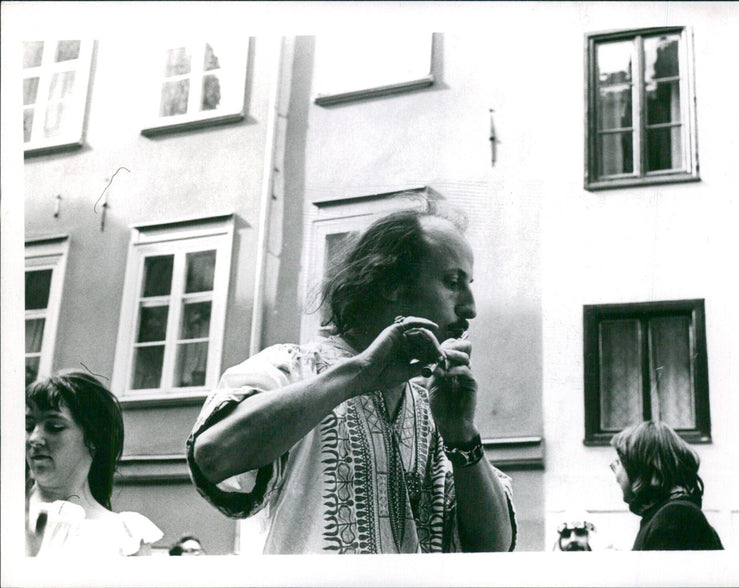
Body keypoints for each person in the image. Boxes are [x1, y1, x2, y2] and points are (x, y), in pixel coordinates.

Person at [187, 204, 516, 554]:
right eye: (452, 282)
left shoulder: (430, 405)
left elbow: (494, 548)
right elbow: (213, 457)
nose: (470, 307)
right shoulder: (290, 368)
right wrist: (358, 374)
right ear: (392, 284)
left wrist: (462, 434)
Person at [25, 369, 163, 556]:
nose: (34, 438)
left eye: (54, 427)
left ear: (93, 439)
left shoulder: (125, 536)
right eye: (28, 425)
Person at [610, 420, 723, 551]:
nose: (616, 475)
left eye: (618, 462)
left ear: (639, 467)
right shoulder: (670, 513)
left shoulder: (674, 517)